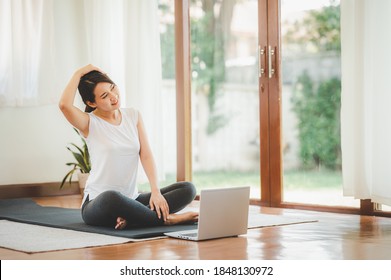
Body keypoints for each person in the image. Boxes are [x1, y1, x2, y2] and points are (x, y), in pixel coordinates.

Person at [59, 64, 198, 230]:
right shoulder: (89, 123)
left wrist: (155, 192)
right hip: (98, 203)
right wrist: (79, 72)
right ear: (91, 102)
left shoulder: (133, 115)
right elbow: (64, 105)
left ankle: (133, 218)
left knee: (188, 189)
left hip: (132, 199)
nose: (113, 96)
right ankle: (167, 220)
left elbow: (145, 154)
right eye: (104, 95)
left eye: (112, 88)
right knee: (111, 197)